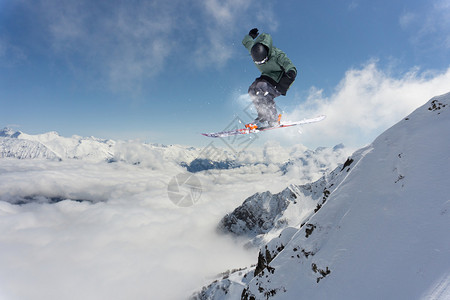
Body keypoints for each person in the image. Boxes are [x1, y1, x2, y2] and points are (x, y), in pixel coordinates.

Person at [242, 28, 297, 128]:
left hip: (281, 79)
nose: (262, 64)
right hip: (267, 76)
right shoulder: (253, 49)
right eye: (259, 63)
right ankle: (263, 116)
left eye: (264, 61)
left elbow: (289, 65)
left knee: (262, 88)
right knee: (252, 89)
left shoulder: (277, 55)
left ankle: (273, 119)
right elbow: (247, 42)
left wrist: (291, 71)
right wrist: (250, 36)